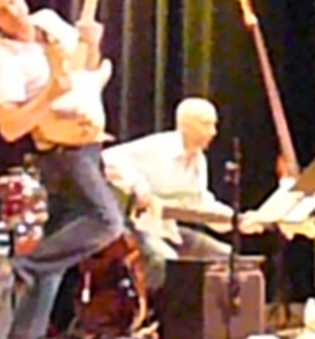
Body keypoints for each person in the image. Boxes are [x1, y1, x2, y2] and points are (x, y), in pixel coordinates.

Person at [0, 0, 119, 339]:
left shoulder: (49, 22)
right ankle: (28, 264)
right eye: (2, 10)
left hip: (87, 145)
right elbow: (10, 128)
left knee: (61, 243)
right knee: (107, 222)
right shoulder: (3, 63)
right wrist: (49, 95)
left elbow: (84, 69)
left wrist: (92, 43)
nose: (14, 11)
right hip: (61, 154)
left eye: (14, 0)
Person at [102, 98, 261, 290]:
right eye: (206, 125)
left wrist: (237, 220)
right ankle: (157, 307)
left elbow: (202, 204)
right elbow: (107, 158)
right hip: (136, 228)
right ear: (186, 125)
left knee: (226, 257)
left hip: (168, 230)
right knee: (165, 260)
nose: (213, 132)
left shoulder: (198, 161)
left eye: (214, 125)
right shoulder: (159, 147)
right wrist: (139, 188)